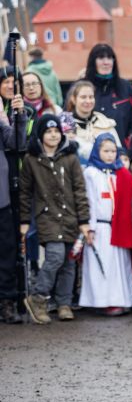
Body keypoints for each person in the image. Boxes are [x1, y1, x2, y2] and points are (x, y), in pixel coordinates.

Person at [20, 115, 91, 324]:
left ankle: (64, 303)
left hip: (70, 217)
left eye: (56, 131)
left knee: (69, 262)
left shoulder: (70, 157)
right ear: (40, 135)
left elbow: (79, 190)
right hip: (47, 217)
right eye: (48, 132)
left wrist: (83, 220)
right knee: (55, 256)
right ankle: (38, 297)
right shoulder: (31, 160)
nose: (53, 135)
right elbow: (25, 193)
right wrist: (25, 220)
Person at [79, 133, 132, 315]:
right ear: (97, 151)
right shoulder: (91, 173)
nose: (110, 155)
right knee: (102, 264)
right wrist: (90, 226)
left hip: (117, 225)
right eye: (106, 151)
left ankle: (121, 298)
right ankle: (102, 301)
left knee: (119, 265)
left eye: (113, 151)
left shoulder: (119, 173)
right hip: (100, 227)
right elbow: (90, 200)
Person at [85, 44, 132, 161]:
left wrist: (129, 154)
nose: (106, 62)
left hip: (120, 156)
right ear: (93, 61)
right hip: (88, 157)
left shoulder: (125, 87)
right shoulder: (82, 87)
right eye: (101, 58)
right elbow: (68, 118)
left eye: (110, 58)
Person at [0, 92, 27, 324]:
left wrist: (18, 116)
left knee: (6, 253)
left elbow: (16, 142)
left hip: (2, 200)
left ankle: (6, 301)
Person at [63, 80, 122, 166]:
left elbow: (119, 153)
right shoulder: (64, 125)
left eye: (91, 97)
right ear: (73, 99)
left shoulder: (105, 124)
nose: (88, 101)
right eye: (83, 97)